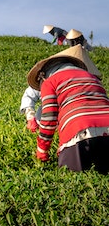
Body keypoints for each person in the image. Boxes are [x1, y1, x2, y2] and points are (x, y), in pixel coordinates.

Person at [26, 45, 109, 173]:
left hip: (79, 131)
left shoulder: (50, 81)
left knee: (71, 178)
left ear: (43, 75)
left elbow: (49, 118)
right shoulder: (92, 78)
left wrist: (42, 151)